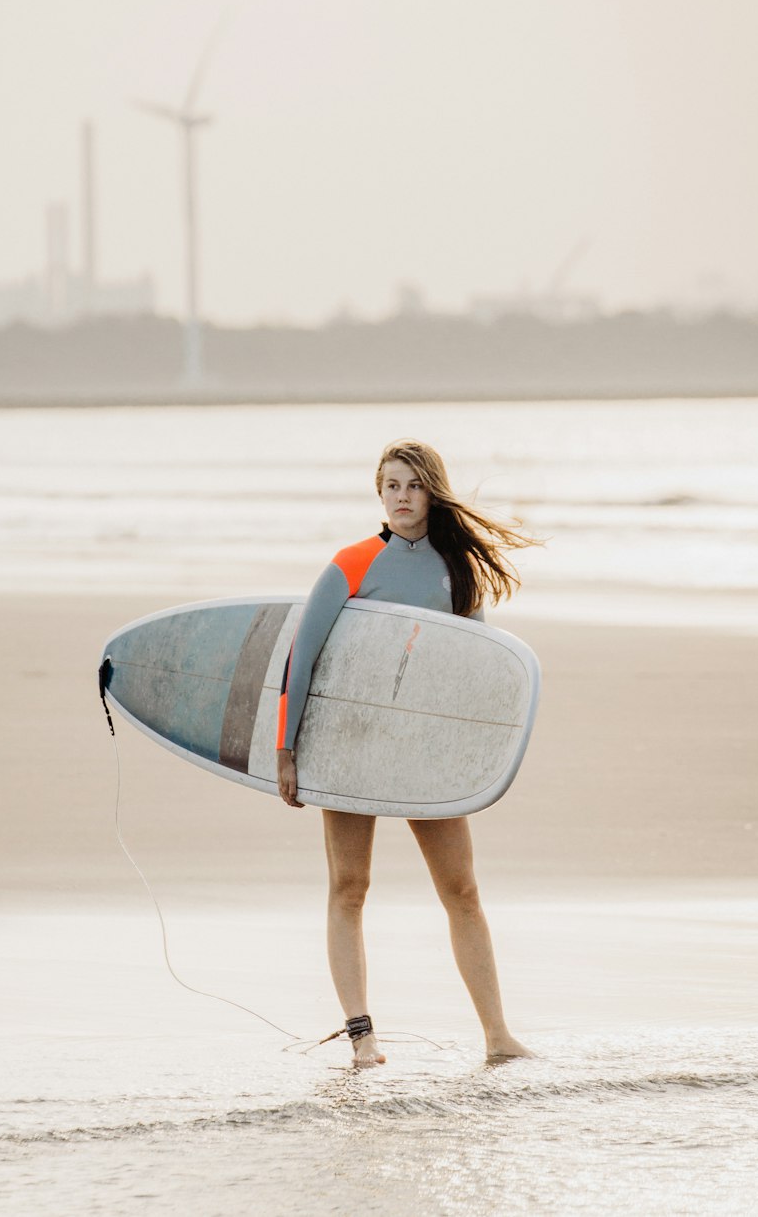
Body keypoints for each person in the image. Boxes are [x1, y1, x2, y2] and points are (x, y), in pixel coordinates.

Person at [276, 438, 535, 1067]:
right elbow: (301, 659)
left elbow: (476, 666)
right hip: (351, 741)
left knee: (462, 890)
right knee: (350, 886)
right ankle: (363, 1037)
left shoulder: (457, 570)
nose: (401, 496)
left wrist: (477, 751)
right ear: (378, 492)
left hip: (423, 749)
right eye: (391, 485)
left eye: (413, 485)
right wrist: (287, 750)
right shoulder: (353, 563)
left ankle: (498, 1035)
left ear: (431, 492)